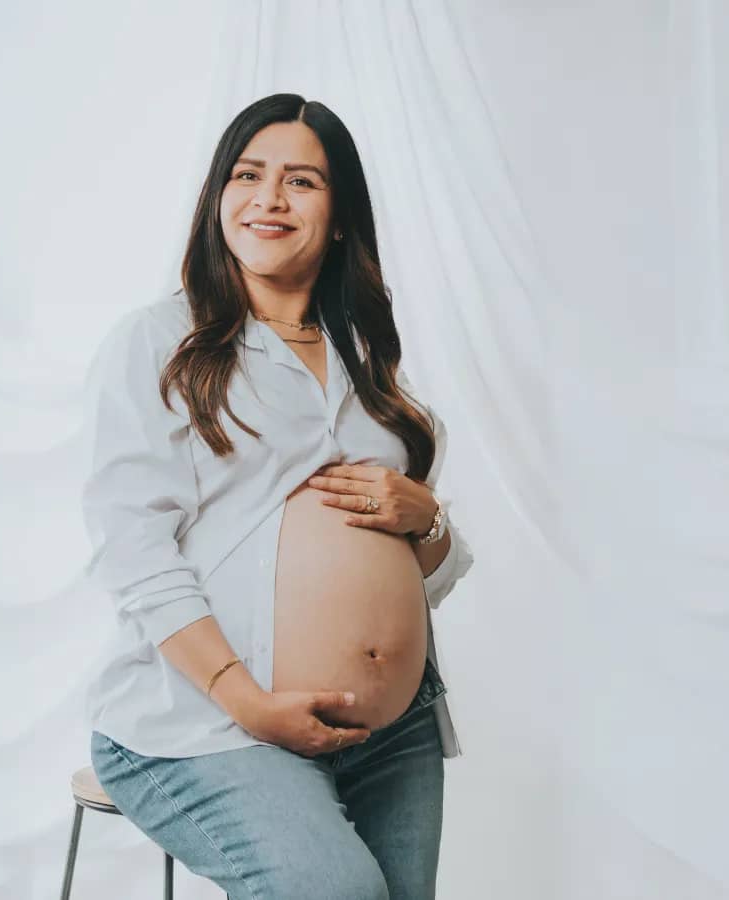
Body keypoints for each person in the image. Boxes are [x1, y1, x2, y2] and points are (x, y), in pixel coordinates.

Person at [81, 92, 474, 900]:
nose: (268, 199)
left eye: (301, 181)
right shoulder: (162, 345)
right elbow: (133, 549)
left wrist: (426, 519)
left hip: (391, 732)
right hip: (211, 719)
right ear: (218, 196)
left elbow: (419, 570)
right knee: (333, 891)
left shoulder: (370, 364)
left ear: (338, 217)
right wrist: (245, 701)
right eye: (248, 175)